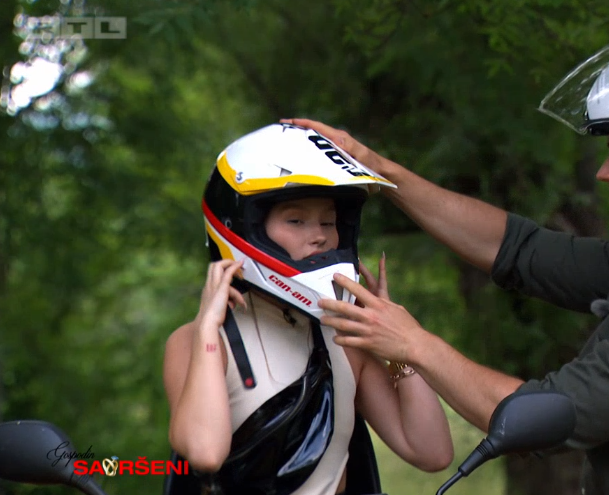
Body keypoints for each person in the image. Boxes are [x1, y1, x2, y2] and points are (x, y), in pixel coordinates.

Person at [283, 36, 609, 495]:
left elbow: (541, 415)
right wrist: (380, 171)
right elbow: (517, 248)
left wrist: (412, 343)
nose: (605, 172)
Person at [162, 123, 453, 495]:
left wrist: (401, 346)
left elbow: (431, 452)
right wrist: (206, 332)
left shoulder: (346, 339)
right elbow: (204, 453)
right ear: (247, 227)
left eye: (328, 222)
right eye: (296, 220)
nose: (319, 235)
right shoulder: (196, 342)